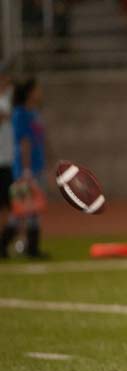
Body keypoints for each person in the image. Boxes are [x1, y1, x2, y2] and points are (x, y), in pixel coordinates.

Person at [6, 77, 47, 258]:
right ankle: (25, 247)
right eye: (37, 89)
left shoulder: (34, 112)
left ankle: (32, 248)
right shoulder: (20, 113)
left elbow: (39, 139)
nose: (40, 93)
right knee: (23, 209)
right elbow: (24, 142)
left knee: (31, 209)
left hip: (35, 167)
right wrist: (26, 169)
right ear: (30, 92)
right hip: (25, 169)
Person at [0, 65, 14, 258]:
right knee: (4, 206)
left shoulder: (6, 100)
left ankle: (4, 243)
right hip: (1, 162)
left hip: (7, 161)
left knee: (8, 205)